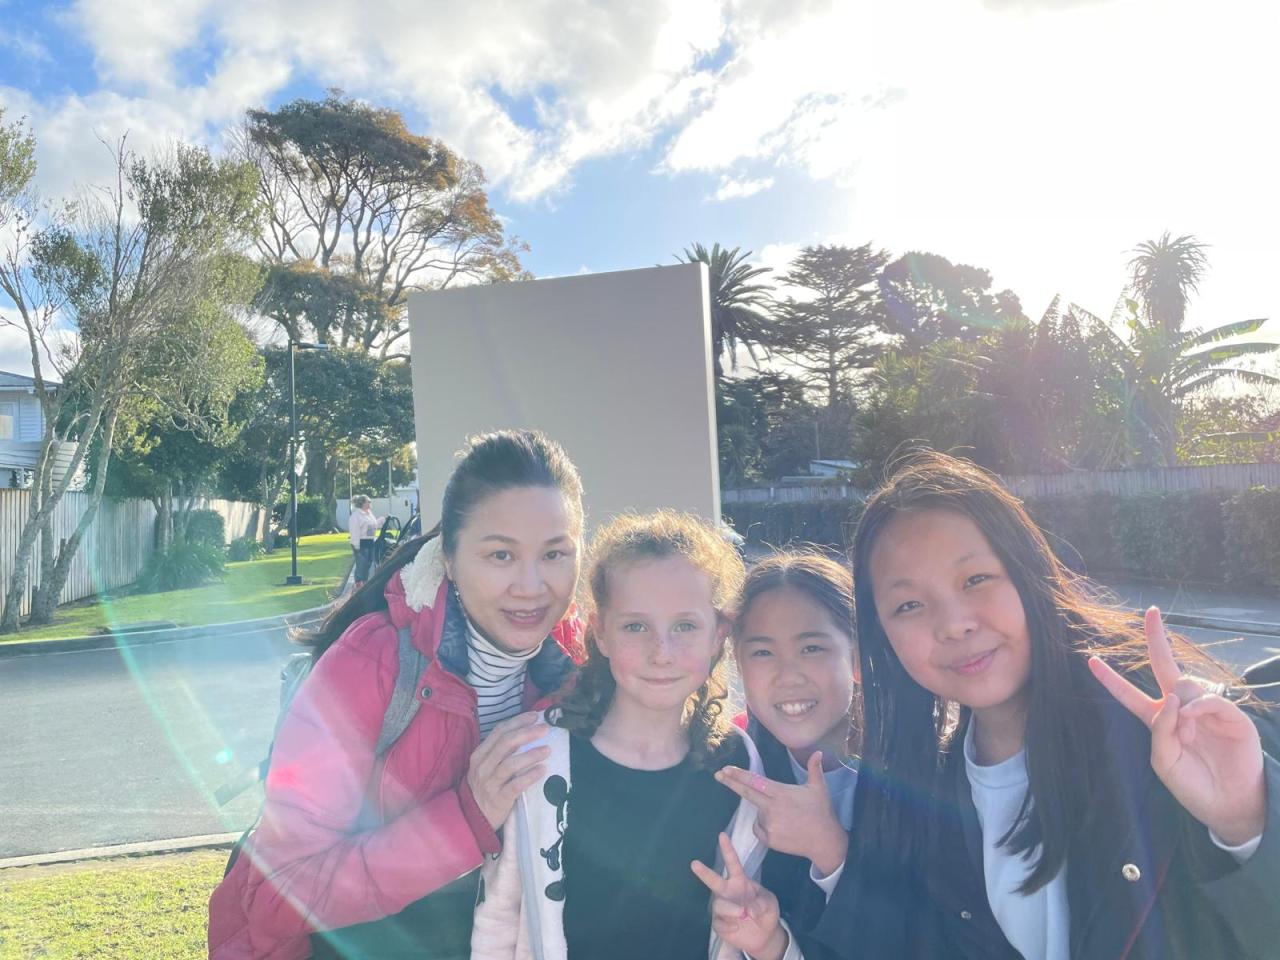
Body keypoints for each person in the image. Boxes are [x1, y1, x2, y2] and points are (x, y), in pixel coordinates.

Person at [805, 450, 1280, 960]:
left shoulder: (1174, 736)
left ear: (1028, 573)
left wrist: (1246, 820)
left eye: (975, 579)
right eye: (909, 605)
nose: (954, 623)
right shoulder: (923, 789)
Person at [208, 430, 587, 960]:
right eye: (501, 555)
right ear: (449, 559)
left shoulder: (582, 670)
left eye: (554, 554)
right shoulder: (370, 664)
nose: (531, 585)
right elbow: (279, 893)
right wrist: (467, 818)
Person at [470, 510, 764, 960]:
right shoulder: (537, 756)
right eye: (636, 626)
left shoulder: (737, 762)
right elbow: (497, 918)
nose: (661, 653)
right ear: (601, 633)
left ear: (717, 636)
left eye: (685, 626)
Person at [703, 551, 859, 960]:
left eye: (812, 648)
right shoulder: (734, 772)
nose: (788, 675)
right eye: (763, 653)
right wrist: (768, 944)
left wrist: (830, 850)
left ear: (858, 657)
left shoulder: (928, 776)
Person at [347, 495, 382, 588]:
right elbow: (354, 532)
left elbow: (372, 527)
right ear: (362, 503)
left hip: (370, 542)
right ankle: (358, 585)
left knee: (368, 565)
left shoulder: (369, 514)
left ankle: (365, 585)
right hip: (361, 544)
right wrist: (356, 546)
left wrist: (382, 520)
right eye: (368, 501)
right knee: (361, 566)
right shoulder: (356, 516)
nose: (370, 503)